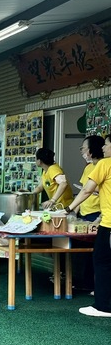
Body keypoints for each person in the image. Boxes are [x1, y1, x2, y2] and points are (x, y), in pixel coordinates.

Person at [64, 133, 111, 319]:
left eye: (107, 145)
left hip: (109, 224)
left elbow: (86, 190)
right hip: (105, 218)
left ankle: (103, 306)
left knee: (102, 261)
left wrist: (69, 208)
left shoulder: (104, 164)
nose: (104, 148)